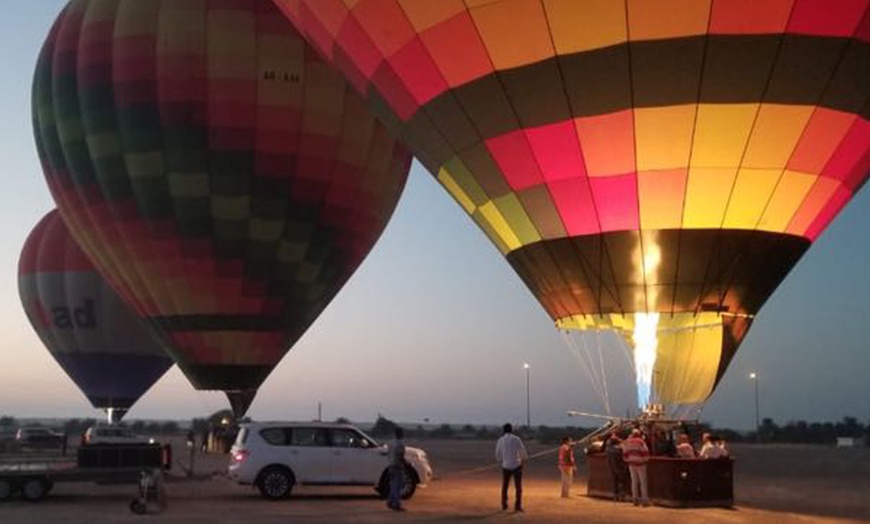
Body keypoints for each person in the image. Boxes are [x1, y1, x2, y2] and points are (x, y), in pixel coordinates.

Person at [495, 423, 528, 511]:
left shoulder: (500, 440)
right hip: (516, 465)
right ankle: (517, 506)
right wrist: (524, 458)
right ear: (512, 430)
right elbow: (522, 451)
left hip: (505, 466)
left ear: (503, 430)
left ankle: (504, 504)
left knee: (505, 486)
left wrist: (501, 460)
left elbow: (498, 454)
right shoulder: (516, 439)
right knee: (518, 487)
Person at [621, 428, 650, 507]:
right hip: (640, 463)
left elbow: (625, 452)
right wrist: (645, 459)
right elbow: (645, 451)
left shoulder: (628, 442)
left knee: (634, 481)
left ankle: (635, 499)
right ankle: (644, 500)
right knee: (643, 482)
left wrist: (627, 460)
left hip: (631, 463)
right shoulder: (641, 442)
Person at [386, 427, 407, 511]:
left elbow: (388, 454)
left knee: (393, 485)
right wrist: (406, 463)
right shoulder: (400, 444)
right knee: (398, 486)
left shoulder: (391, 443)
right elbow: (400, 456)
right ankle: (397, 504)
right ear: (401, 434)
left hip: (391, 465)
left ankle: (390, 502)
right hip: (397, 466)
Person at [604, 432, 628, 501]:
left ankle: (615, 495)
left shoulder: (608, 450)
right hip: (620, 467)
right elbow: (623, 458)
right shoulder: (618, 450)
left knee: (615, 481)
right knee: (622, 481)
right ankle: (622, 496)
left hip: (612, 467)